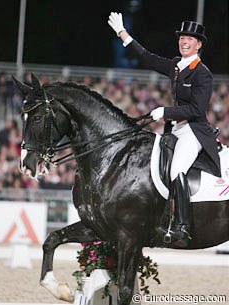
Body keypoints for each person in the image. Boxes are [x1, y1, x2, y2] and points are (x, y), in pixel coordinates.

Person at [108, 12, 221, 247]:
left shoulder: (203, 73)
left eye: (189, 39)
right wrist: (123, 34)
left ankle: (182, 226)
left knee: (176, 169)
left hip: (194, 131)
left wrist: (165, 112)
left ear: (198, 45)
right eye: (182, 38)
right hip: (175, 130)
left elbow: (197, 110)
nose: (184, 42)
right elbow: (147, 58)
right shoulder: (176, 67)